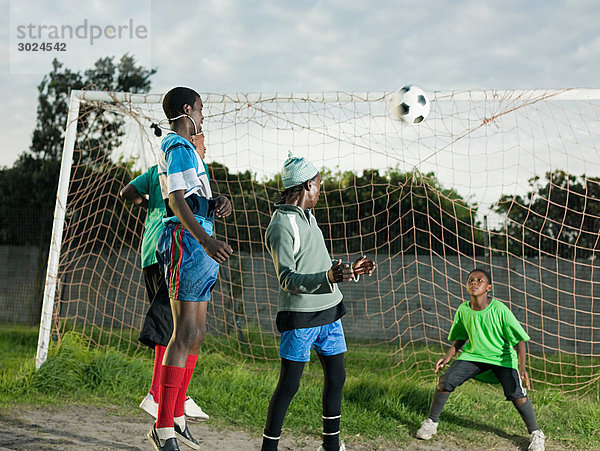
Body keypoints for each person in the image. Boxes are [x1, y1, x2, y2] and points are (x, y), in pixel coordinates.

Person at [261, 152, 376, 451]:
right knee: (289, 385)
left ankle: (331, 445)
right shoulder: (281, 225)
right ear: (308, 185)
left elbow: (322, 267)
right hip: (300, 320)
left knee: (337, 377)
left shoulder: (310, 218)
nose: (321, 190)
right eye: (319, 184)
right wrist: (328, 276)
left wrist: (351, 270)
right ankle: (268, 448)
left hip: (330, 314)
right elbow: (288, 278)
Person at [147, 86, 233, 451]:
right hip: (188, 243)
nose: (203, 114)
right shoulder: (178, 147)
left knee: (195, 333)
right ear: (187, 109)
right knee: (182, 334)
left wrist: (216, 203)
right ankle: (162, 427)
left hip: (200, 246)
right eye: (200, 108)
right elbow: (176, 200)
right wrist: (205, 240)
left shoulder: (191, 153)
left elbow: (193, 198)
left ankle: (177, 416)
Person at [416, 268, 545, 451]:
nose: (474, 283)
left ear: (488, 287)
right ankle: (431, 422)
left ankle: (536, 434)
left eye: (480, 280)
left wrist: (521, 367)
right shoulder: (463, 309)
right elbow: (460, 336)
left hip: (502, 358)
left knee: (517, 393)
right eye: (471, 280)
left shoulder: (500, 310)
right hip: (474, 355)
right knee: (446, 380)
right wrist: (449, 355)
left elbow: (520, 340)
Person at [120, 165, 209, 422]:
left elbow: (128, 191)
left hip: (150, 251)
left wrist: (148, 203)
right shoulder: (186, 169)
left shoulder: (154, 171)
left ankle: (173, 394)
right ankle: (156, 394)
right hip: (169, 248)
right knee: (172, 324)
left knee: (178, 325)